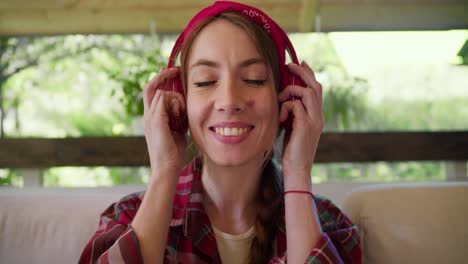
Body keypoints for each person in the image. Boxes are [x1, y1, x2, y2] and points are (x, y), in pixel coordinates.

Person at [79, 1, 361, 263]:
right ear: (179, 97)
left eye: (254, 79)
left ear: (286, 96)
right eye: (205, 82)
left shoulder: (330, 224)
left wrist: (298, 172)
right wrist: (165, 170)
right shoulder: (127, 218)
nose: (229, 101)